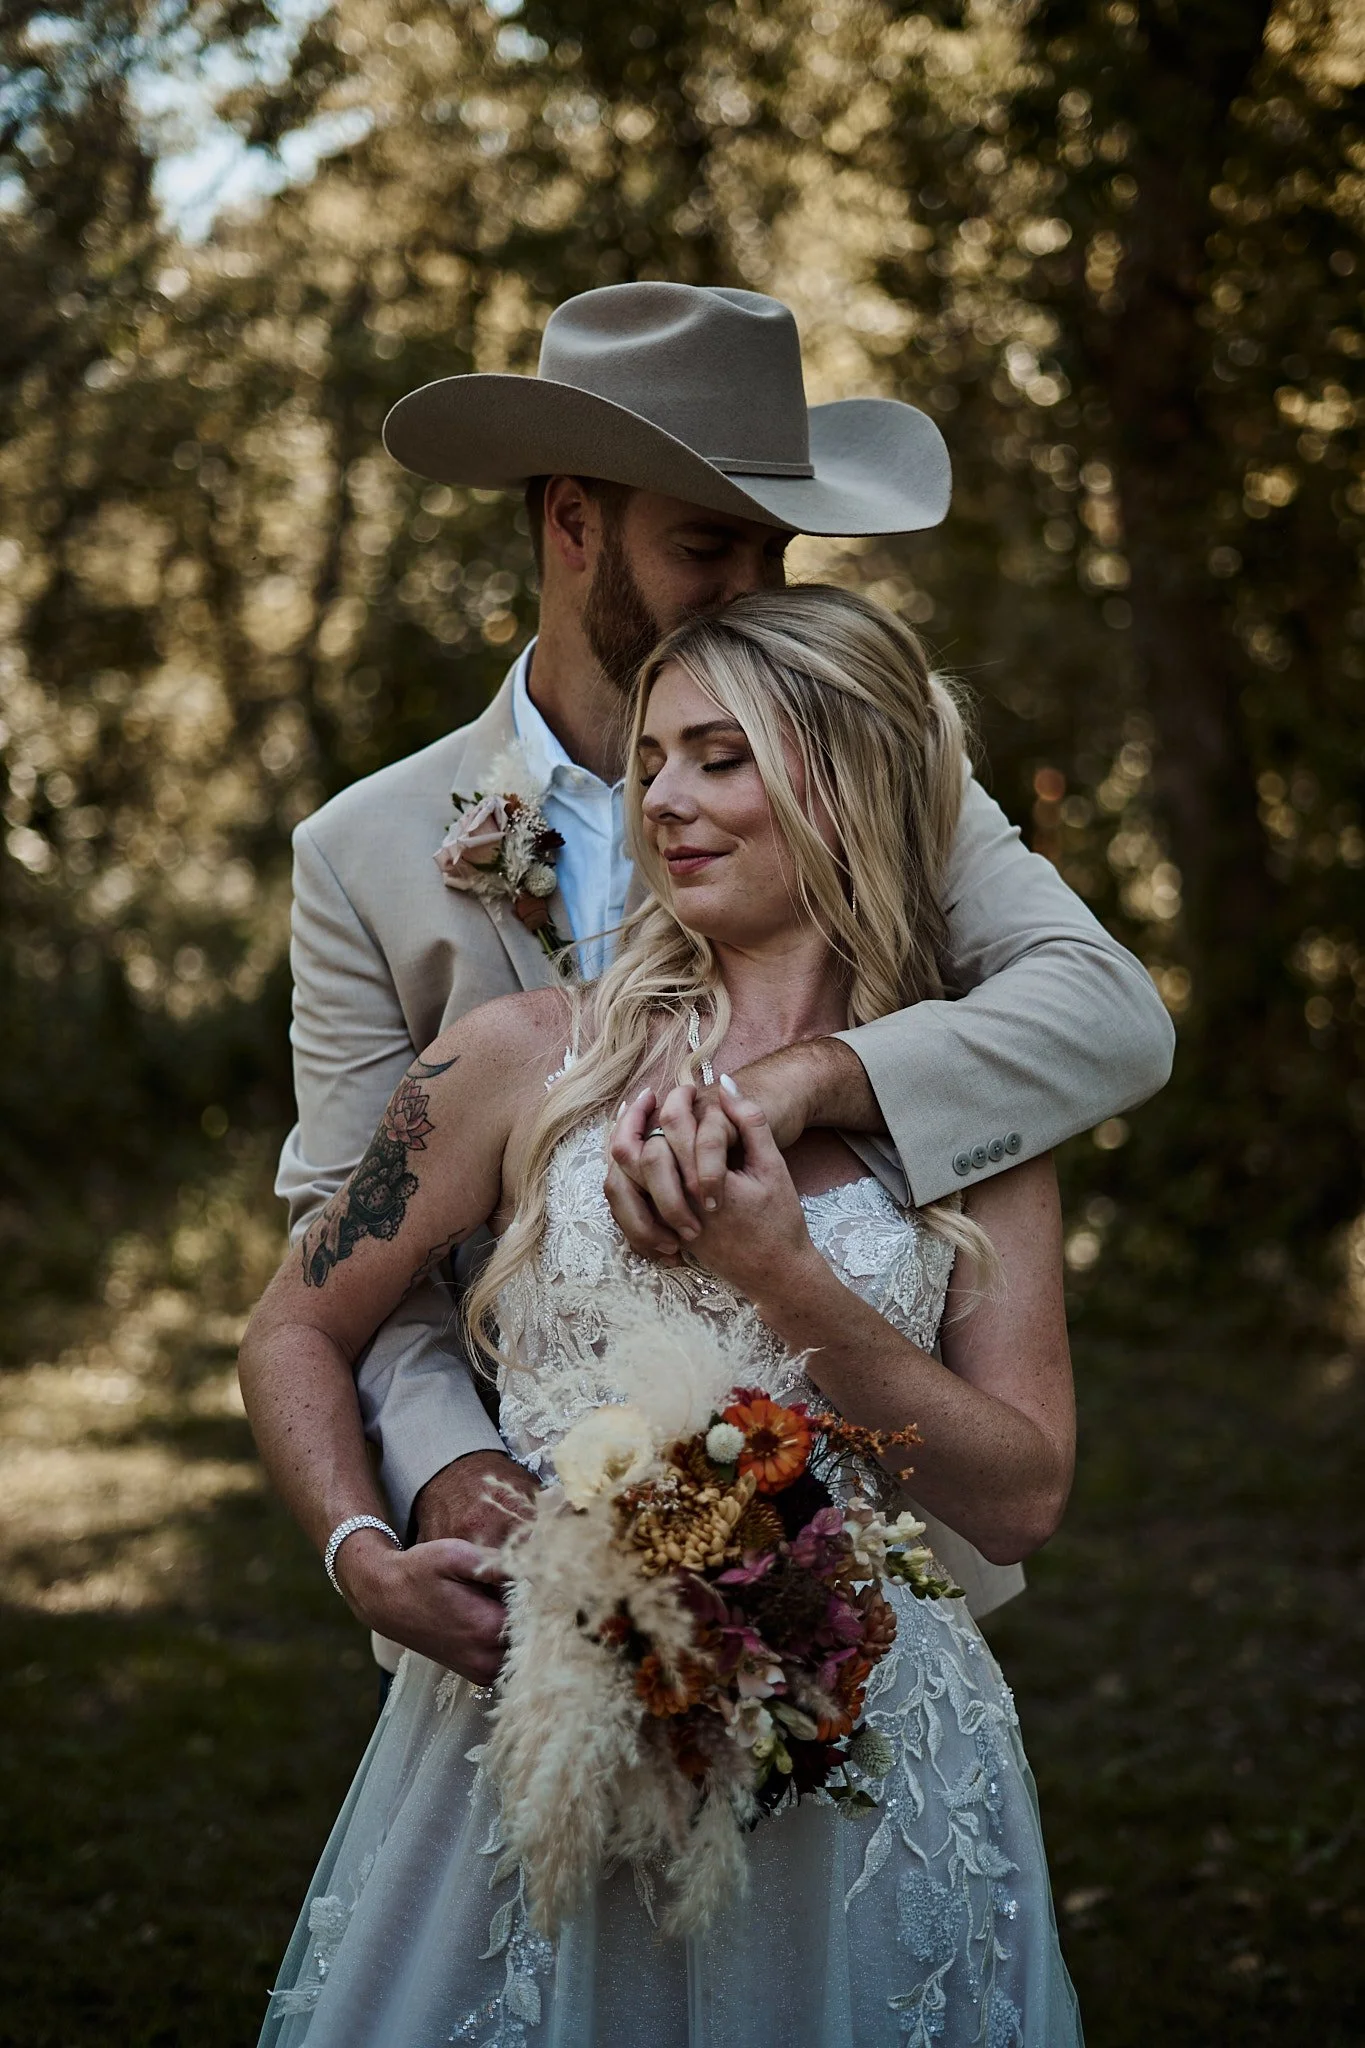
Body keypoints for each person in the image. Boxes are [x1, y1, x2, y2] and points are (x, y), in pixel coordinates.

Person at [275, 280, 1173, 1687]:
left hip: (847, 1611)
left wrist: (813, 1083)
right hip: (531, 1599)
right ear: (574, 522)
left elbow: (1108, 1015)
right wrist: (438, 1472)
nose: (755, 588)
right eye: (708, 545)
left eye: (776, 545)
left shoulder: (882, 755)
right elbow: (332, 1252)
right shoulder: (366, 852)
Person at [243, 585, 1084, 2045]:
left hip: (869, 1764)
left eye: (721, 757)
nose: (664, 803)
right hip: (541, 1728)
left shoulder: (980, 1119)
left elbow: (1020, 1500)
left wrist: (790, 1282)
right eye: (652, 763)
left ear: (851, 776)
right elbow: (293, 1327)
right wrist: (357, 1550)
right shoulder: (519, 1061)